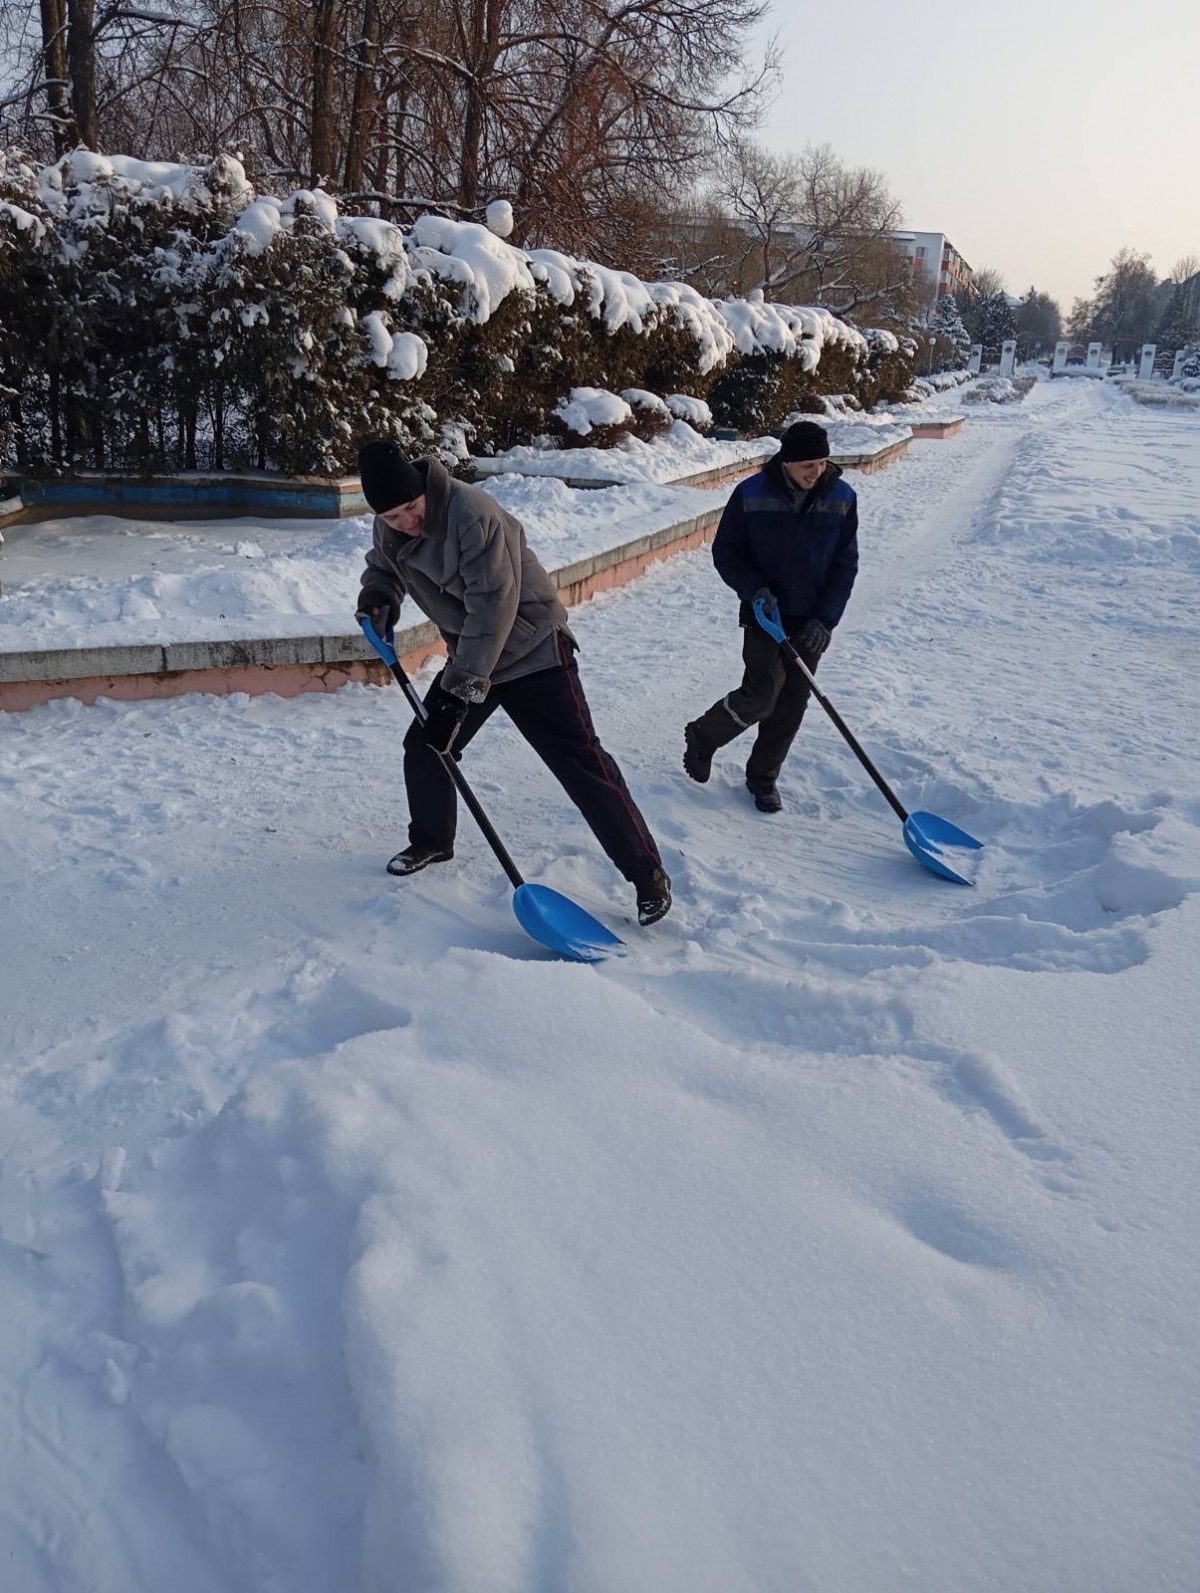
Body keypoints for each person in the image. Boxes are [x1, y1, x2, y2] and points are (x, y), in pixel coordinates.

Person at [354, 440, 672, 925]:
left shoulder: (472, 515)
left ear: (423, 492)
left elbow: (493, 607)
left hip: (532, 649)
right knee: (426, 746)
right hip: (474, 653)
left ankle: (648, 877)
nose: (405, 523)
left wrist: (458, 695)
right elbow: (385, 565)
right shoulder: (390, 524)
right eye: (393, 517)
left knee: (580, 761)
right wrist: (378, 595)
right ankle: (433, 841)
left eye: (410, 510)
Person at [682, 420, 859, 812]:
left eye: (822, 462)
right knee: (762, 695)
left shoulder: (842, 498)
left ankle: (763, 778)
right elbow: (726, 553)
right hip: (766, 614)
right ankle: (704, 735)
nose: (816, 472)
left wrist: (825, 620)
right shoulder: (750, 494)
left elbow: (845, 567)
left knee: (792, 703)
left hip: (810, 619)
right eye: (807, 465)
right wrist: (754, 590)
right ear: (786, 462)